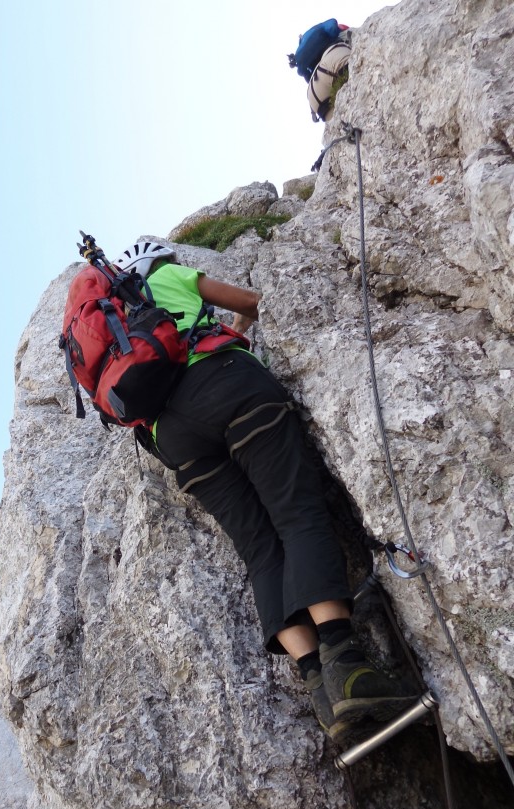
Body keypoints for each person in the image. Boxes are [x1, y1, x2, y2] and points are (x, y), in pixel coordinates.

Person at [112, 240, 417, 742]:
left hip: (175, 439)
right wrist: (230, 334)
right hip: (227, 386)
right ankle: (350, 667)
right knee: (297, 514)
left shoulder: (120, 329)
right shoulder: (169, 279)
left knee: (258, 549)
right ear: (153, 265)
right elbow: (252, 303)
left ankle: (319, 688)